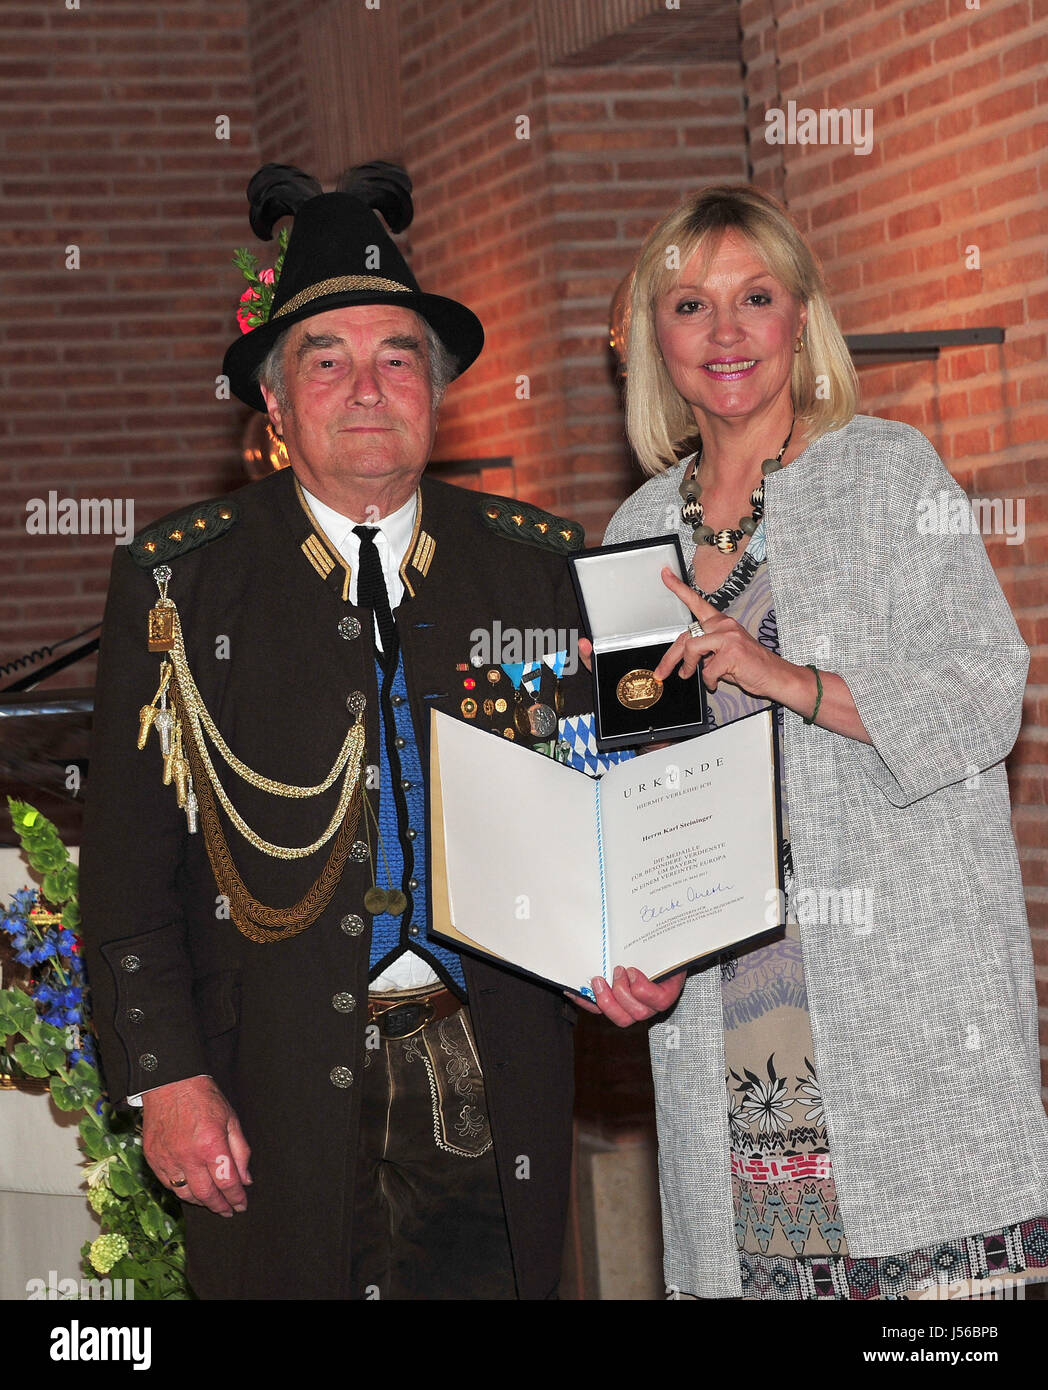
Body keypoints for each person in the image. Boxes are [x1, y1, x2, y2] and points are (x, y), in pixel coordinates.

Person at [79, 162, 595, 1300]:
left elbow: (597, 813)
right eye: (328, 360)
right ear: (274, 404)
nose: (368, 387)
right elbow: (125, 875)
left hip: (485, 1070)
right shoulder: (179, 580)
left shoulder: (540, 565)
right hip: (268, 1088)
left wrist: (629, 944)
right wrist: (165, 1080)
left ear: (439, 391)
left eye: (397, 357)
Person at [579, 184, 1048, 1300]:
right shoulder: (634, 532)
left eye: (756, 298)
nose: (726, 332)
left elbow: (987, 692)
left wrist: (788, 678)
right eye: (691, 305)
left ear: (801, 319)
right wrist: (620, 945)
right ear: (657, 338)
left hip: (898, 1008)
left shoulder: (890, 475)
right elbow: (639, 783)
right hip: (726, 1022)